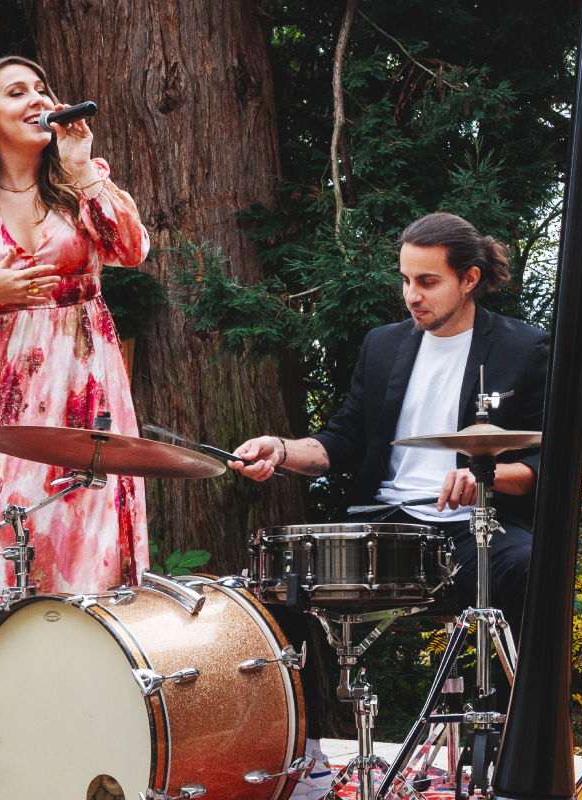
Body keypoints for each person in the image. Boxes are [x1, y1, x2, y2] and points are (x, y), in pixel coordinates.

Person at [230, 211, 549, 792]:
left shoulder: (522, 349)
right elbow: (341, 440)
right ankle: (290, 754)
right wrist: (280, 449)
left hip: (468, 526)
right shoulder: (383, 346)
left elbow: (540, 463)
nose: (412, 296)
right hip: (385, 524)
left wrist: (486, 476)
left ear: (469, 280)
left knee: (531, 568)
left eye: (427, 282)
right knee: (274, 583)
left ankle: (513, 745)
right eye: (405, 280)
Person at [0, 55, 152, 692]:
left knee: (88, 552)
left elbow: (132, 249)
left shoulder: (82, 182)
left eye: (43, 88)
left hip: (85, 382)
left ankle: (99, 718)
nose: (38, 98)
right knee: (9, 550)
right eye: (18, 92)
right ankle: (5, 724)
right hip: (1, 397)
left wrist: (80, 168)